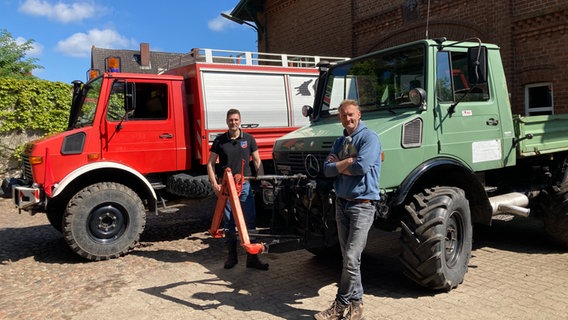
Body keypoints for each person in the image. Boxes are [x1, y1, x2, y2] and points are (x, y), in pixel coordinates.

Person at [316, 99, 382, 320]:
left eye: (351, 114)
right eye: (344, 115)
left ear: (359, 114)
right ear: (340, 118)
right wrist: (346, 163)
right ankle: (356, 304)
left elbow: (361, 167)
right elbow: (327, 170)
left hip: (362, 205)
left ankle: (341, 304)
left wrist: (338, 166)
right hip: (342, 204)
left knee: (352, 258)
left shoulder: (369, 138)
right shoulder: (340, 141)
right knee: (349, 259)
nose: (348, 118)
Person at [206, 108, 269, 271]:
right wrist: (215, 184)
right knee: (230, 223)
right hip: (226, 188)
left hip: (245, 186)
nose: (233, 122)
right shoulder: (220, 141)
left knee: (250, 221)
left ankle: (252, 259)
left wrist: (261, 180)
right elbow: (210, 164)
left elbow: (257, 161)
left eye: (236, 120)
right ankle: (232, 257)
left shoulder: (248, 139)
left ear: (240, 121)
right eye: (230, 120)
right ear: (227, 121)